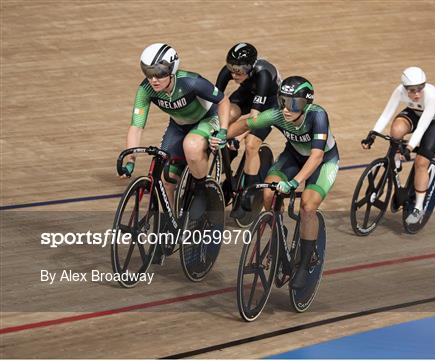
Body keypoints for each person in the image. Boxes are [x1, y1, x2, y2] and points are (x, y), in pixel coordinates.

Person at [119, 43, 230, 261]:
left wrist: (224, 130)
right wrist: (130, 158)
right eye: (148, 73)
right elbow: (136, 125)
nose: (154, 79)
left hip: (206, 119)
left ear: (172, 69)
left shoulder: (191, 82)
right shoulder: (146, 90)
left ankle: (201, 191)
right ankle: (171, 223)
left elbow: (223, 100)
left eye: (159, 73)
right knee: (165, 178)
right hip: (178, 125)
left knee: (192, 145)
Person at [227, 76, 339, 289]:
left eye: (294, 103)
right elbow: (245, 124)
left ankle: (305, 263)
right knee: (269, 192)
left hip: (324, 161)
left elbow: (316, 157)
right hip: (293, 156)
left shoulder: (318, 116)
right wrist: (221, 135)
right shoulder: (277, 114)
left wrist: (295, 182)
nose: (287, 109)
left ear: (306, 104)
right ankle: (279, 229)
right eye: (283, 101)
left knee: (307, 206)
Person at [361, 66, 435, 225]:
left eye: (420, 89)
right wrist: (372, 134)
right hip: (415, 113)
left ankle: (418, 208)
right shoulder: (399, 91)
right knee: (396, 129)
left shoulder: (431, 94)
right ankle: (396, 160)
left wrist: (409, 148)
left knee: (421, 163)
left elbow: (422, 126)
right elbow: (387, 114)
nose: (416, 94)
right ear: (404, 88)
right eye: (412, 90)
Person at [215, 43, 281, 219]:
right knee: (226, 114)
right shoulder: (229, 72)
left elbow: (253, 119)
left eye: (240, 70)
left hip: (269, 103)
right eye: (231, 68)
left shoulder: (264, 75)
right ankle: (225, 161)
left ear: (251, 67)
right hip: (246, 93)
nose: (234, 74)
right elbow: (216, 102)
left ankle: (250, 190)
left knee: (251, 144)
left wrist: (237, 136)